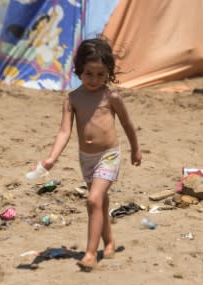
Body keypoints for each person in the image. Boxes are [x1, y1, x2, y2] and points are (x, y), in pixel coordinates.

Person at [37, 37, 142, 272]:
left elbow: (127, 124)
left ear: (108, 73)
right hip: (86, 159)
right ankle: (110, 242)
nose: (94, 80)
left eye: (100, 74)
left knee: (93, 200)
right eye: (89, 73)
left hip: (109, 155)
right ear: (79, 71)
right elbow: (64, 131)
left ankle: (91, 253)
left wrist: (136, 149)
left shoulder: (111, 97)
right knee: (100, 204)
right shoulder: (73, 99)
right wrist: (52, 157)